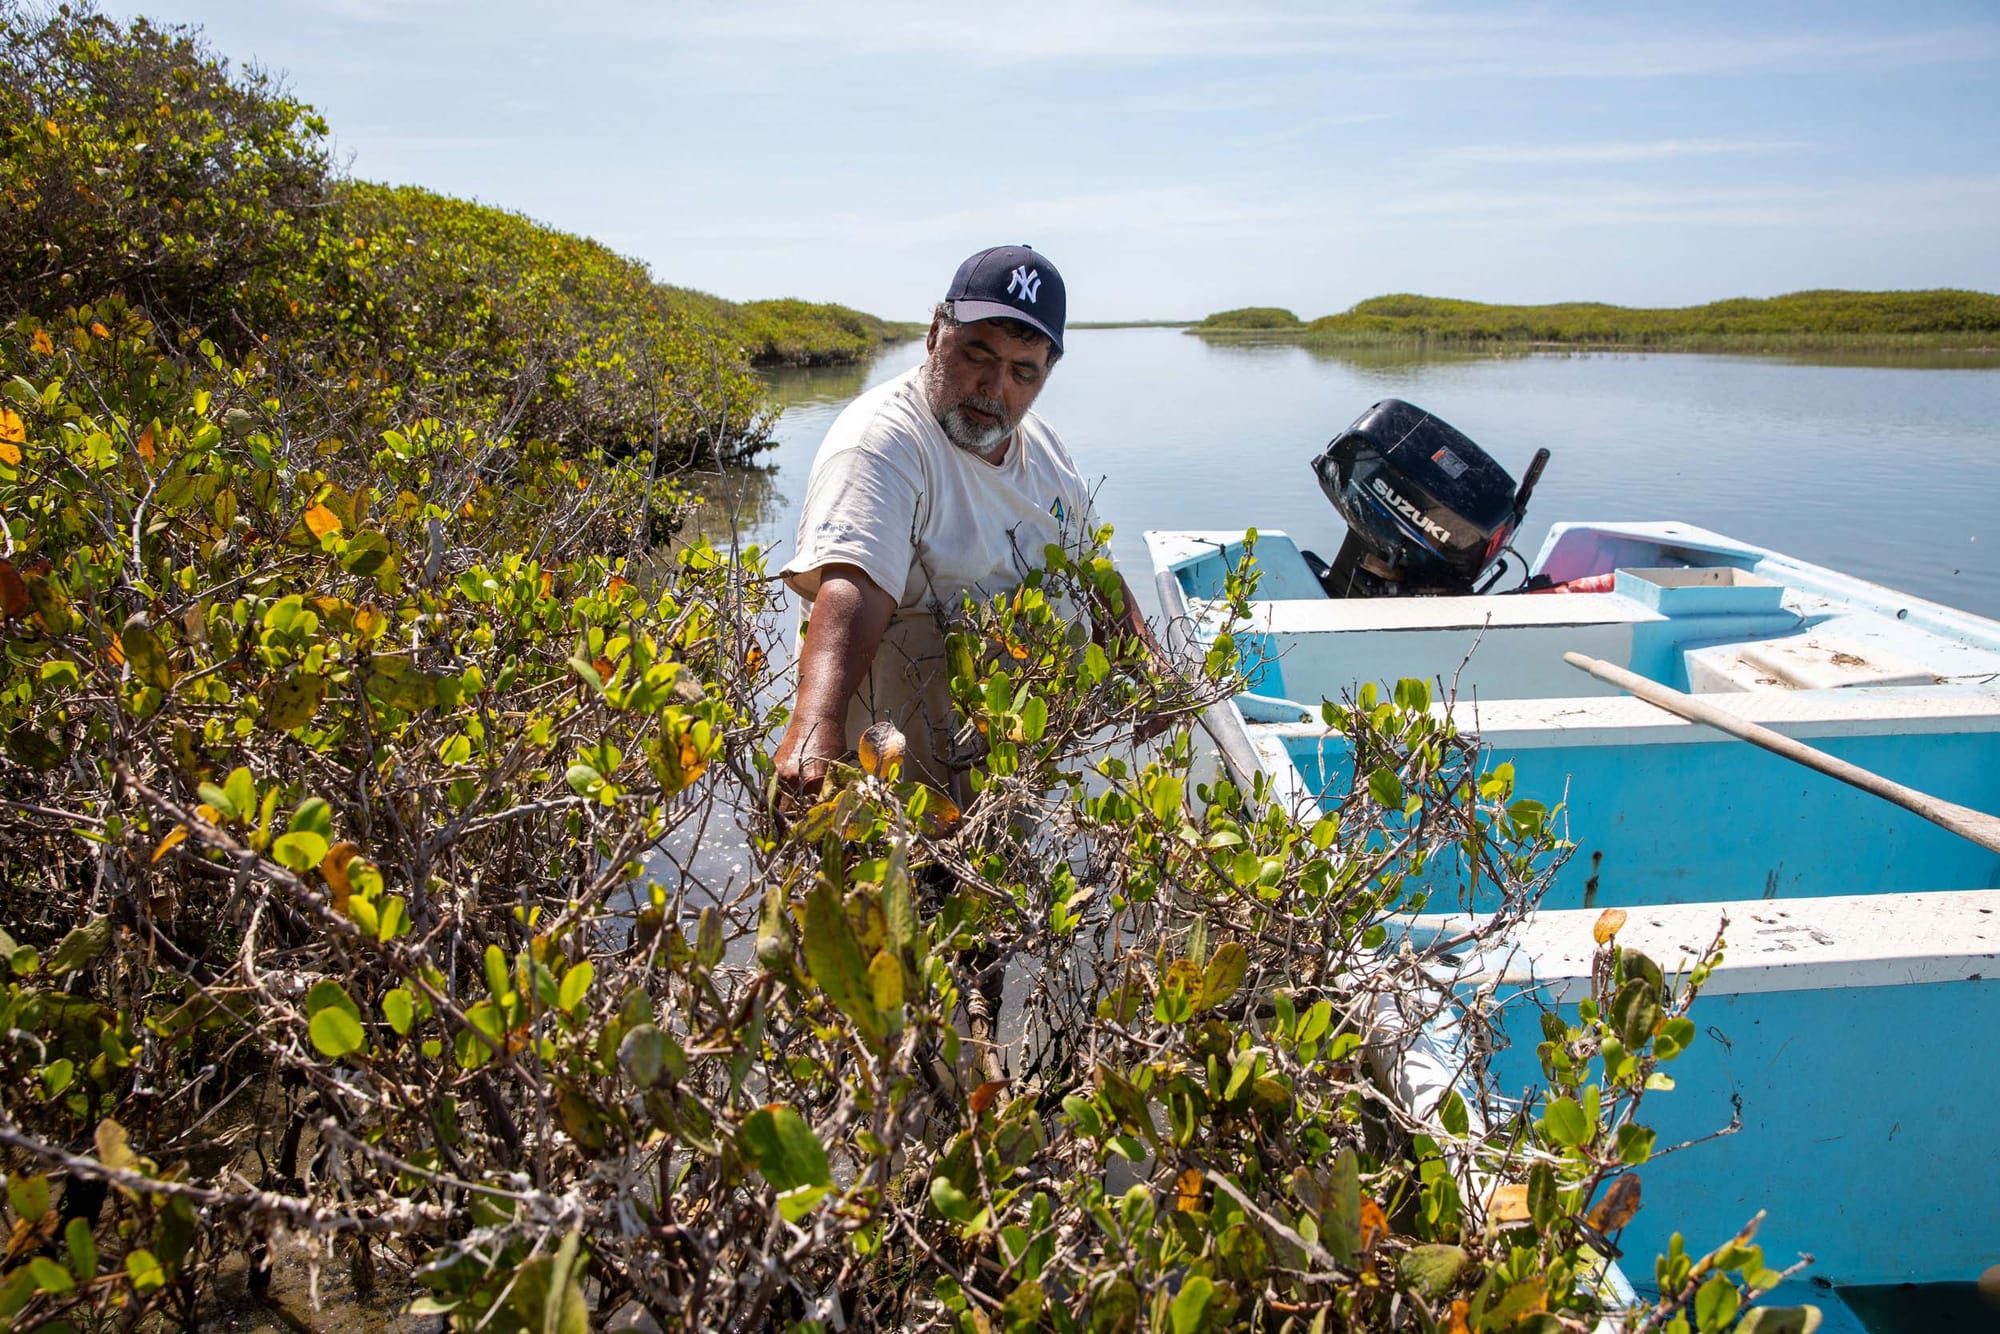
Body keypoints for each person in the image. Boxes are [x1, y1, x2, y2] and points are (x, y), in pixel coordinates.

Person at [773, 244, 1156, 805]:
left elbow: (1094, 573)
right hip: (888, 766)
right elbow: (856, 582)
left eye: (1022, 371)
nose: (994, 387)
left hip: (1001, 765)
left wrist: (1146, 668)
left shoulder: (1046, 452)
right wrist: (814, 722)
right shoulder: (884, 441)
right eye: (977, 355)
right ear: (935, 333)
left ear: (1046, 374)